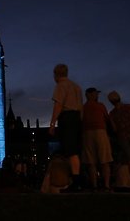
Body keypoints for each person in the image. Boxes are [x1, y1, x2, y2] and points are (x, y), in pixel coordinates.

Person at [48, 64, 84, 192]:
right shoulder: (76, 87)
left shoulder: (61, 86)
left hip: (67, 117)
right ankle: (77, 181)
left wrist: (52, 123)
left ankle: (76, 183)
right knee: (75, 151)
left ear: (56, 74)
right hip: (76, 118)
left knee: (70, 151)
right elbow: (81, 107)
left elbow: (58, 105)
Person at [81, 87, 113, 191]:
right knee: (105, 160)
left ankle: (94, 185)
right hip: (100, 131)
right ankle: (106, 185)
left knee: (91, 161)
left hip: (87, 133)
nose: (97, 95)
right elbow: (107, 119)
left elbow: (80, 120)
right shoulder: (100, 106)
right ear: (91, 95)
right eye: (96, 94)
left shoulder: (83, 107)